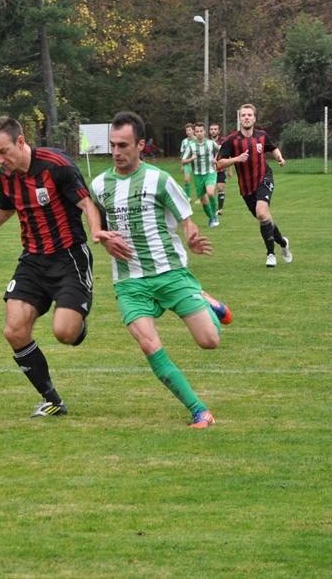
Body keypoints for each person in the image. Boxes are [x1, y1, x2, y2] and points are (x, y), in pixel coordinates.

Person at [0, 116, 108, 418]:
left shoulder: (56, 166)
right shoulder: (7, 176)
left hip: (68, 258)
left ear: (21, 142)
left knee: (65, 333)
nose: (0, 160)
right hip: (33, 261)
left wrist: (97, 231)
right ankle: (52, 400)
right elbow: (3, 211)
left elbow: (87, 203)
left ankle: (76, 324)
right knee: (14, 330)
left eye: (3, 152)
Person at [90, 111, 231, 429]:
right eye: (113, 145)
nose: (116, 152)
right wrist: (100, 236)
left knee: (210, 341)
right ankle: (199, 410)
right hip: (129, 281)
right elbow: (92, 212)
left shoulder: (160, 180)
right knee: (149, 345)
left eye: (123, 145)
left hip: (169, 272)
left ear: (140, 145)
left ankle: (205, 299)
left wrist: (191, 237)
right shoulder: (99, 185)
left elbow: (186, 220)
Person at [216, 103, 292, 267]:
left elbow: (273, 148)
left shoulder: (262, 136)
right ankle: (283, 243)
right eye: (243, 115)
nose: (246, 118)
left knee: (261, 212)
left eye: (249, 115)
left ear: (254, 118)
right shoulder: (231, 140)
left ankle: (270, 254)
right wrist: (236, 159)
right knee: (264, 218)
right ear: (240, 118)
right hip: (246, 188)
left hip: (264, 178)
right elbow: (219, 164)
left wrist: (279, 158)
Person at [192, 122, 219, 227]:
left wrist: (215, 158)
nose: (199, 133)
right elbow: (183, 160)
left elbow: (220, 151)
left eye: (201, 131)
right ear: (194, 133)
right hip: (198, 175)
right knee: (203, 200)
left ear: (204, 132)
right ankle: (211, 217)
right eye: (197, 131)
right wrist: (191, 159)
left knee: (210, 193)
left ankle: (215, 215)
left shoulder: (211, 143)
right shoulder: (191, 146)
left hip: (210, 172)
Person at [209, 122, 229, 215]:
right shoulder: (206, 142)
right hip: (209, 170)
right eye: (211, 129)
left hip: (221, 168)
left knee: (220, 188)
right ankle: (212, 207)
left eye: (215, 129)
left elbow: (228, 155)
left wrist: (230, 169)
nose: (213, 131)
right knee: (210, 191)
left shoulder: (223, 142)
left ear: (219, 131)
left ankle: (220, 209)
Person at [179, 123, 198, 201]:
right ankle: (188, 197)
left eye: (189, 130)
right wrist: (182, 165)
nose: (188, 132)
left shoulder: (197, 140)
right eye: (187, 130)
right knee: (186, 180)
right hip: (187, 162)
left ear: (193, 131)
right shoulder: (184, 141)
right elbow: (182, 154)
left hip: (196, 162)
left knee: (197, 180)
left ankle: (200, 197)